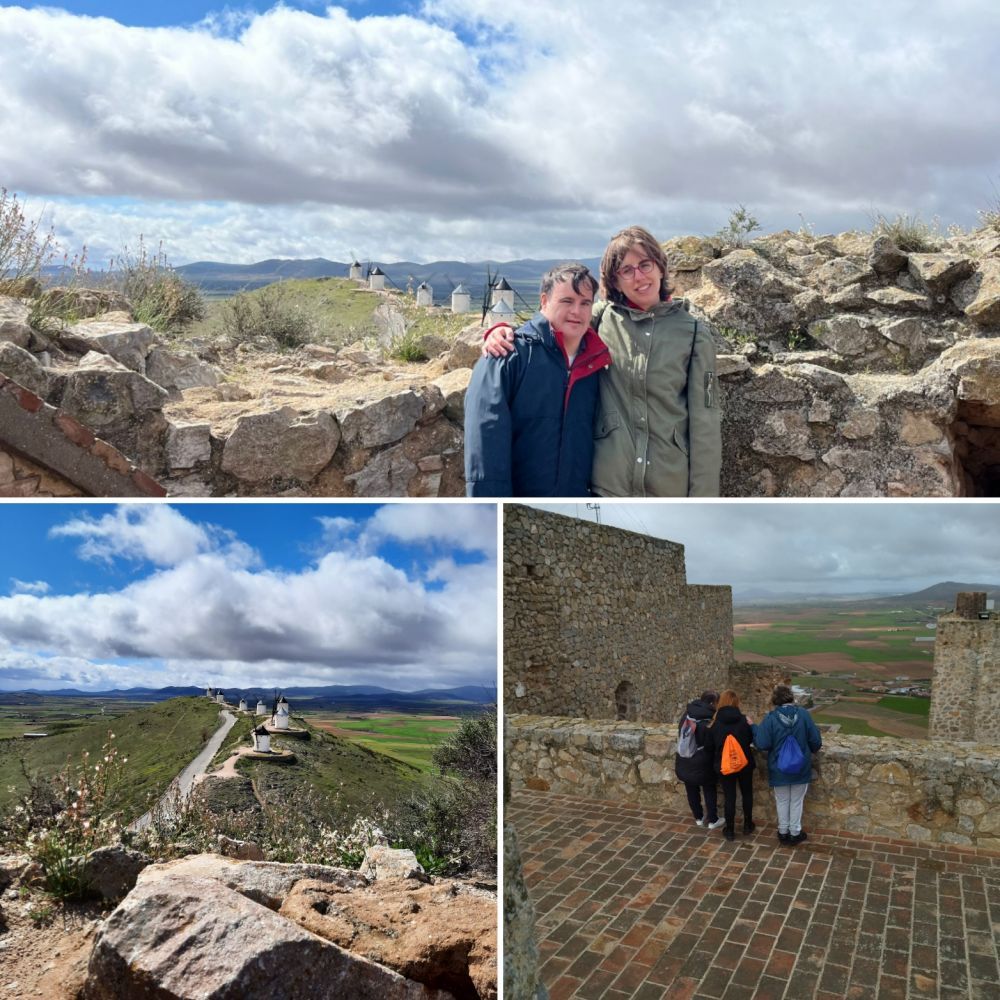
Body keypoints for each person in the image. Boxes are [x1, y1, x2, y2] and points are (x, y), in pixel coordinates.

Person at [483, 225, 721, 497]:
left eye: (645, 264)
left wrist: (702, 497)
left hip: (668, 485)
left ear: (660, 266)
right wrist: (501, 331)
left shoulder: (692, 333)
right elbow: (552, 325)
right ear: (615, 281)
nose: (639, 276)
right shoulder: (599, 318)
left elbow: (706, 424)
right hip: (608, 484)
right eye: (626, 270)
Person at [464, 262, 611, 496]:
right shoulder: (506, 356)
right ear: (544, 301)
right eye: (567, 301)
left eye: (585, 303)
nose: (577, 311)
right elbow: (484, 450)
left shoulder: (596, 364)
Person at [753, 684, 822, 846]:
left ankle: (783, 832)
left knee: (782, 800)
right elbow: (816, 742)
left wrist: (754, 729)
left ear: (775, 700)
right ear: (791, 697)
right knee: (796, 801)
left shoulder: (770, 718)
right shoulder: (804, 715)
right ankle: (795, 833)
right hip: (801, 767)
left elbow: (762, 743)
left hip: (778, 767)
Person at [702, 689, 755, 841]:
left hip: (724, 765)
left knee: (729, 796)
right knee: (747, 794)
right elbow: (751, 739)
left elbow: (708, 748)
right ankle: (747, 825)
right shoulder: (744, 720)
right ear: (736, 702)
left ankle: (730, 830)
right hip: (744, 764)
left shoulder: (714, 724)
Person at [674, 690, 724, 831]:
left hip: (684, 759)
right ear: (713, 703)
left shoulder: (687, 715)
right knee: (709, 788)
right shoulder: (709, 720)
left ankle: (698, 818)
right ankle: (713, 819)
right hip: (703, 762)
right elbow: (711, 744)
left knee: (691, 788)